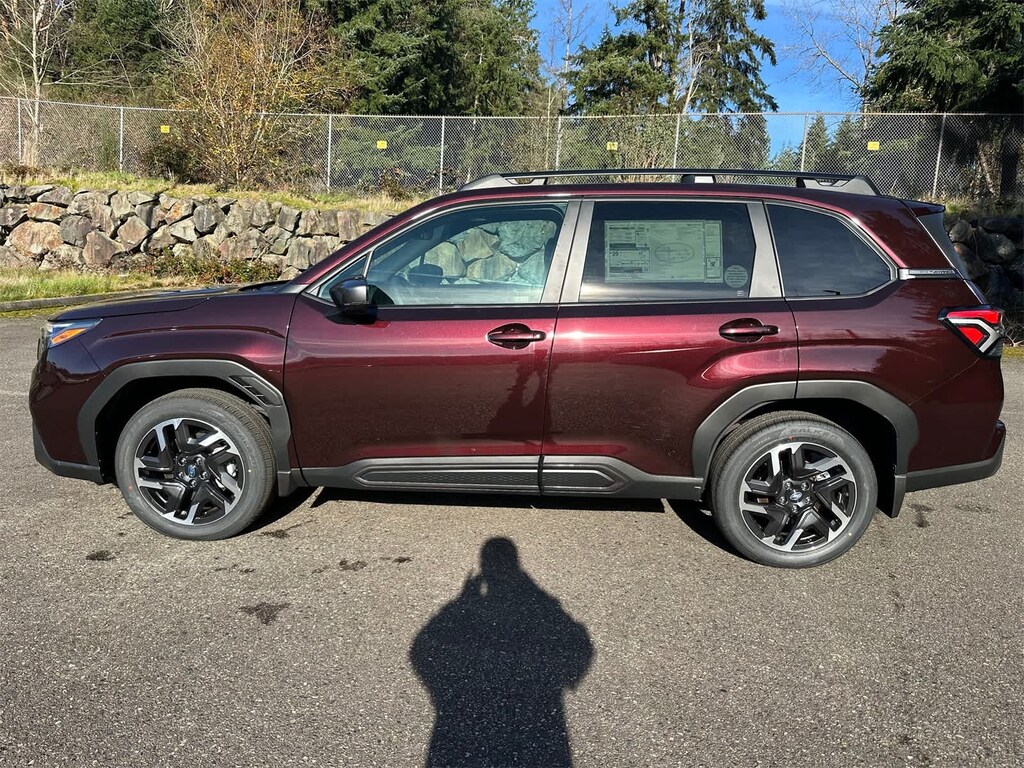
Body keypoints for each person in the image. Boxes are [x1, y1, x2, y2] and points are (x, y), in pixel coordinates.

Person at [410, 537, 594, 767]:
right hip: (538, 721)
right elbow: (578, 640)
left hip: (463, 728)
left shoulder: (474, 610)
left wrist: (461, 603)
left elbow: (422, 648)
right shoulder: (541, 608)